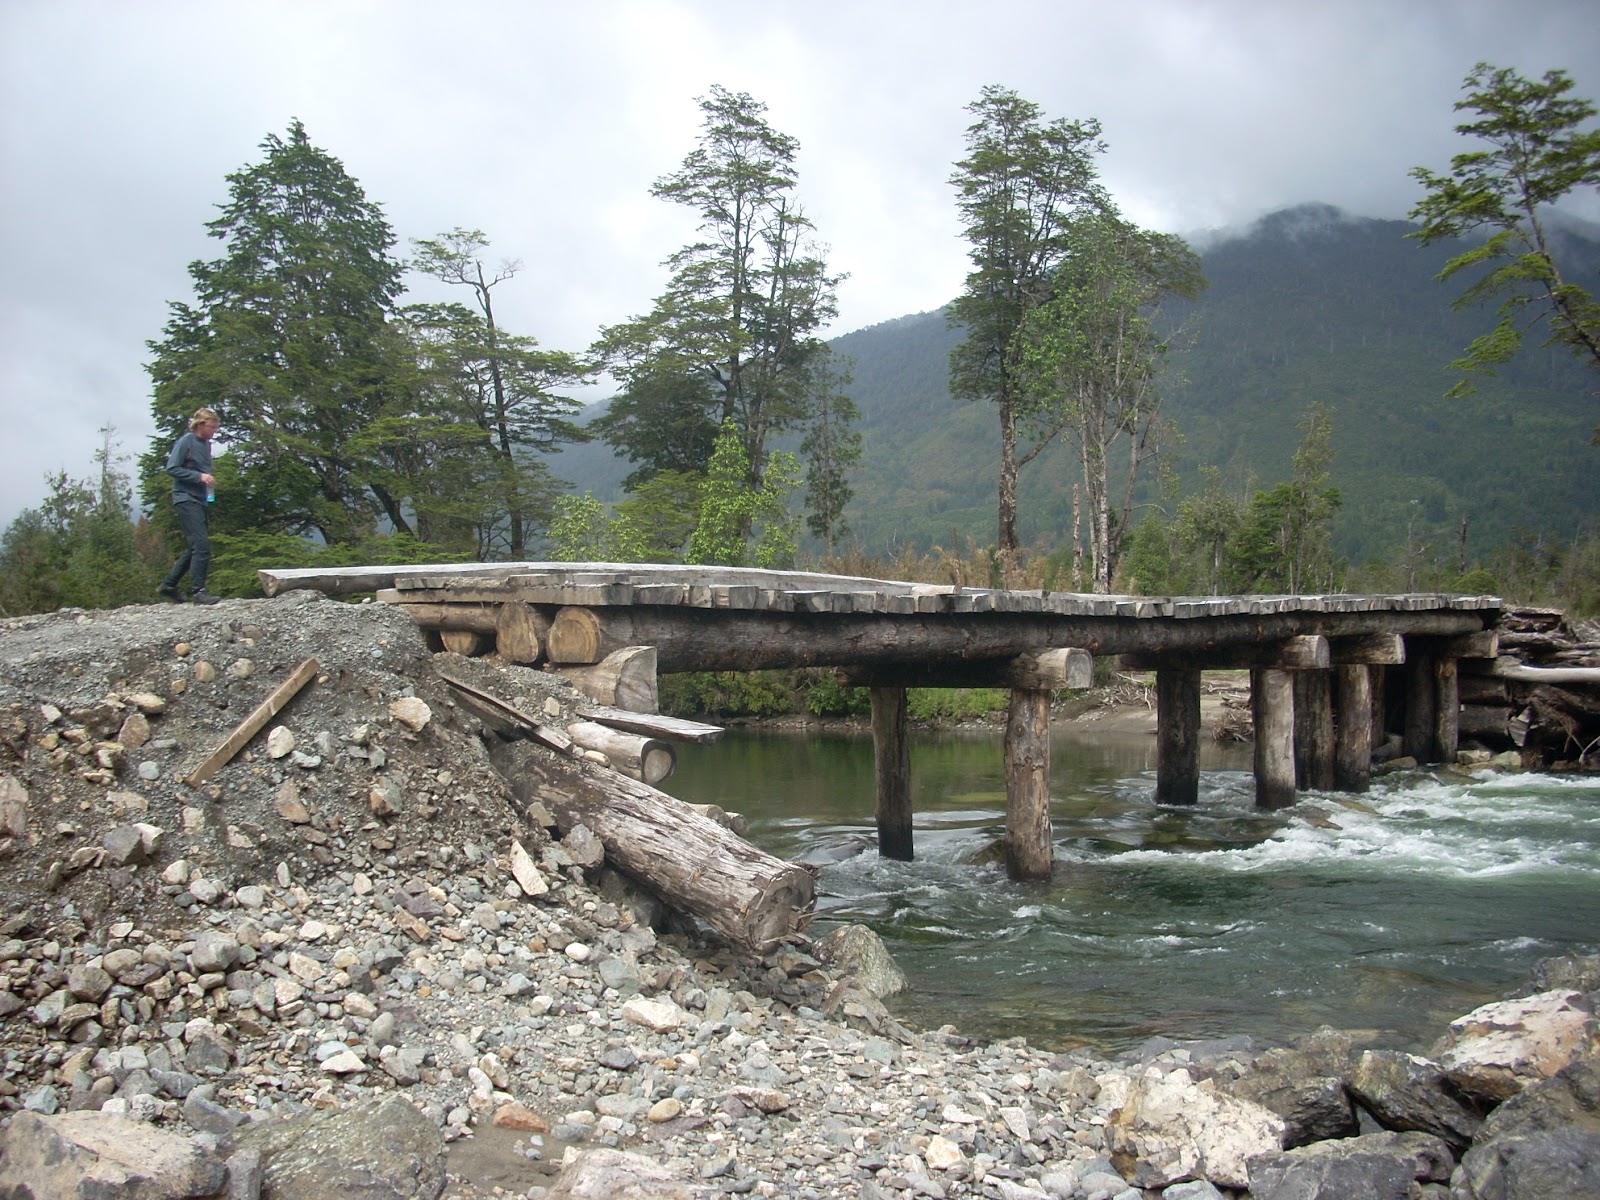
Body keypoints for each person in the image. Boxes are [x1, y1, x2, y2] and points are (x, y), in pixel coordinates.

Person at [158, 407, 222, 604]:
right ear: (201, 425)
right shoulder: (186, 441)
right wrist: (199, 476)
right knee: (202, 546)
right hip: (185, 498)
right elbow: (172, 468)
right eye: (212, 427)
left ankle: (169, 585)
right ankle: (198, 591)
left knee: (194, 546)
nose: (214, 431)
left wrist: (208, 481)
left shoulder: (206, 446)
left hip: (200, 498)